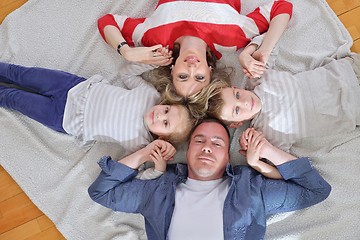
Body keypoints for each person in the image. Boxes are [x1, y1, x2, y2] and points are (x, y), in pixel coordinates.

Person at [88, 118, 331, 240]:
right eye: (199, 140)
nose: (206, 148)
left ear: (228, 157)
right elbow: (102, 192)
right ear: (188, 148)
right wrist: (145, 153)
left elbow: (315, 190)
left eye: (217, 144)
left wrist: (264, 153)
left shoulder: (252, 188)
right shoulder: (158, 188)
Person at [97, 0, 293, 98]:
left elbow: (107, 21)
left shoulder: (153, 38)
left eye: (183, 77)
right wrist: (265, 49)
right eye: (199, 77)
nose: (191, 69)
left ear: (173, 70)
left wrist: (127, 52)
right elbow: (281, 7)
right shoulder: (233, 37)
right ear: (210, 70)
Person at [0, 61, 194, 159]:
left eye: (165, 123)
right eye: (167, 109)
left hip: (64, 118)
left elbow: (132, 169)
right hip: (73, 87)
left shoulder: (141, 145)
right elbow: (126, 74)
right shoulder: (150, 95)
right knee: (20, 74)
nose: (160, 114)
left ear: (162, 139)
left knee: (13, 98)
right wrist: (150, 63)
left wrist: (159, 165)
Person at [207, 57, 360, 151]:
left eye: (237, 95)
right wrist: (254, 147)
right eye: (237, 110)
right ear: (236, 123)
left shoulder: (258, 77)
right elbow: (280, 163)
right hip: (352, 108)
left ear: (236, 88)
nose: (245, 102)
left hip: (345, 72)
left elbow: (267, 48)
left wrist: (248, 56)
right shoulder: (265, 134)